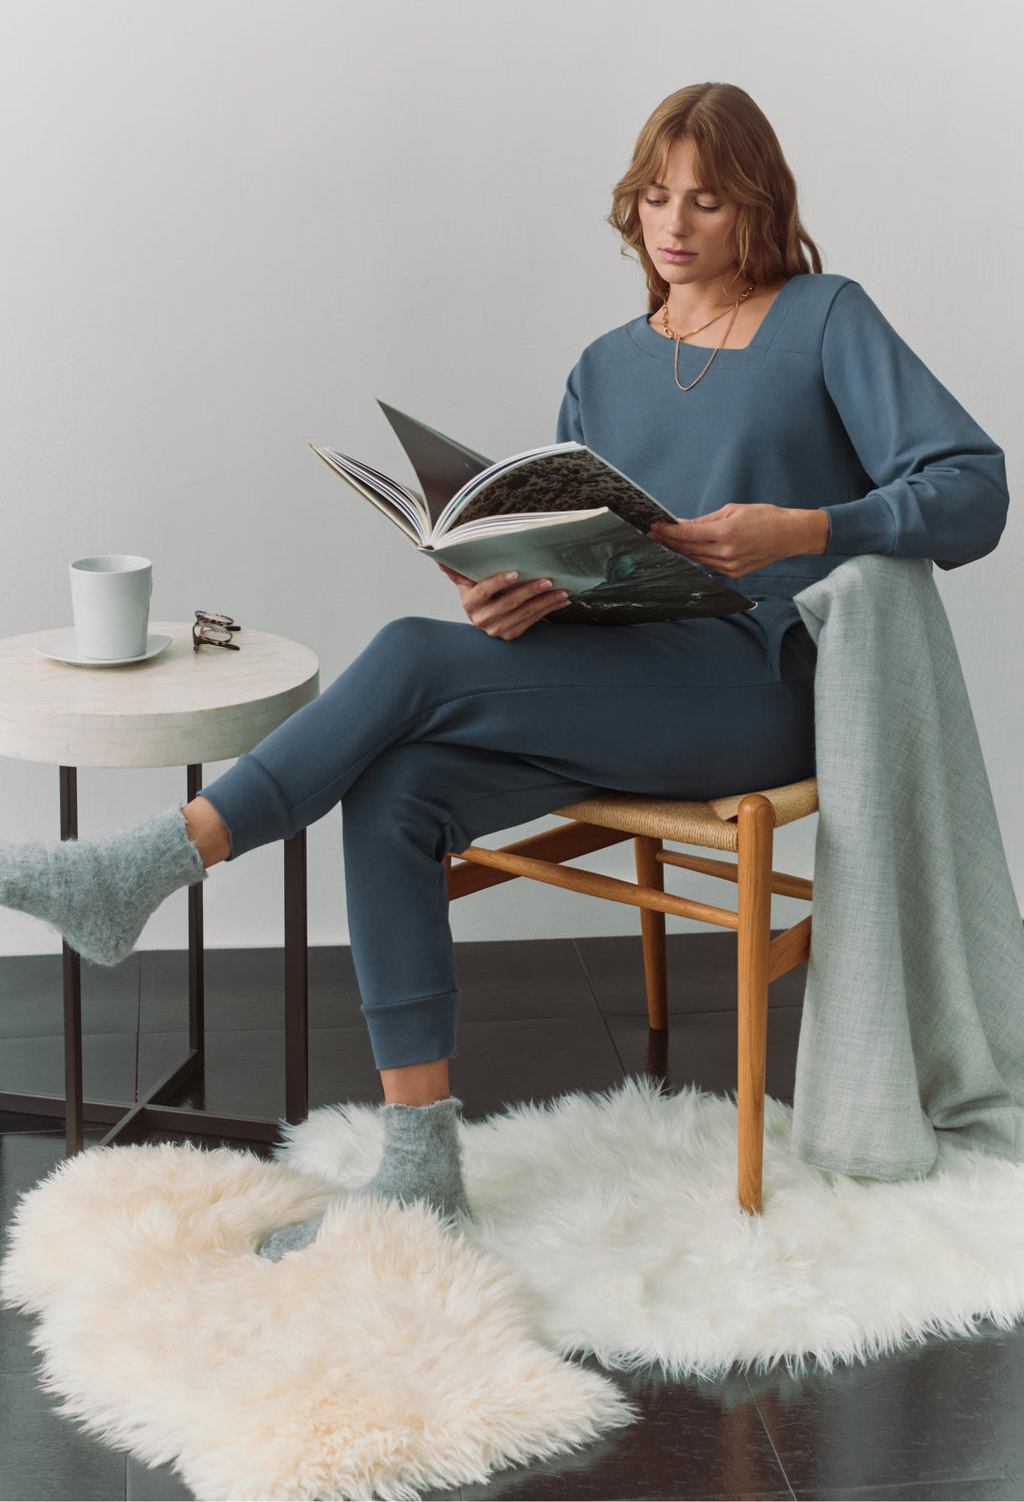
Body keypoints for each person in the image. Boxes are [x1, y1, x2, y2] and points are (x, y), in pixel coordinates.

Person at [0, 83, 1008, 1258]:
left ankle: (149, 863)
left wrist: (801, 530)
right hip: (632, 671)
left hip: (765, 683)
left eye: (707, 200)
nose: (671, 223)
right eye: (652, 195)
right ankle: (422, 1161)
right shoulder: (604, 366)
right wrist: (519, 585)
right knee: (397, 784)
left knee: (406, 660)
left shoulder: (824, 317)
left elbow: (973, 491)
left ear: (757, 210)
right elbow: (598, 547)